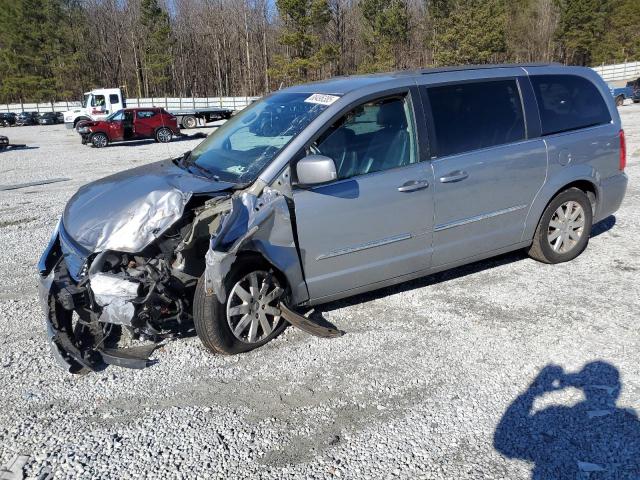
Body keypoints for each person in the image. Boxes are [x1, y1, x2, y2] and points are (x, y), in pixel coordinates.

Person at [494, 362, 640, 479]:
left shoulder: (554, 416)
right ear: (617, 389)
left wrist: (533, 391)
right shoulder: (633, 428)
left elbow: (503, 442)